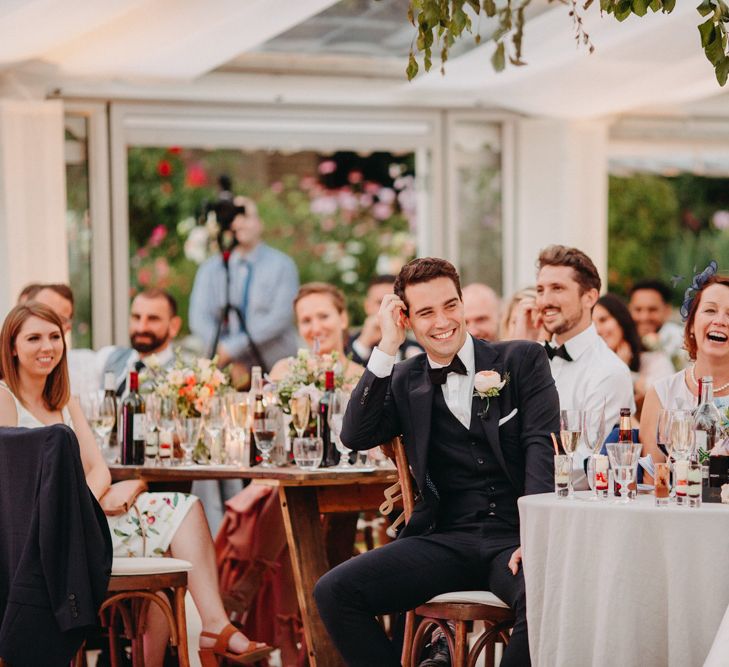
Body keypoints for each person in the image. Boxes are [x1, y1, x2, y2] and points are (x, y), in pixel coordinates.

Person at [312, 257, 559, 667]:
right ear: (406, 318)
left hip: (513, 537)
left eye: (450, 306)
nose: (443, 321)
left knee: (546, 594)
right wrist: (386, 345)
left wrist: (536, 537)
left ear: (462, 304)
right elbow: (354, 434)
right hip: (445, 539)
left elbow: (541, 447)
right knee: (334, 592)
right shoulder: (405, 378)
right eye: (426, 312)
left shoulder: (521, 360)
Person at [0, 302, 271, 666]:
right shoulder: (5, 398)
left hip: (87, 515)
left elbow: (99, 469)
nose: (47, 346)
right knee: (165, 546)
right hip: (47, 535)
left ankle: (213, 624)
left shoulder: (64, 399)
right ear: (12, 346)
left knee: (183, 507)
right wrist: (84, 504)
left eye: (54, 336)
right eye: (34, 338)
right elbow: (13, 484)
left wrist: (87, 502)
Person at [535, 245, 634, 481]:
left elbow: (586, 464)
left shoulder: (609, 372)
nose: (545, 301)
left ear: (589, 297)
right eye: (540, 290)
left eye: (557, 289)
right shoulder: (532, 359)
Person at [189, 195, 299, 377]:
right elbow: (198, 317)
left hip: (276, 370)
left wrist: (233, 348)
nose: (239, 223)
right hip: (225, 371)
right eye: (233, 217)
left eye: (245, 216)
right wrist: (221, 349)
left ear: (259, 223)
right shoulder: (210, 269)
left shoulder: (283, 265)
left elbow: (280, 317)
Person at [641, 272, 729, 463]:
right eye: (710, 310)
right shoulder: (661, 394)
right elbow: (654, 480)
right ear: (690, 325)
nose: (720, 321)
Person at [593, 293, 674, 416]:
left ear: (621, 320)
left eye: (603, 320)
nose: (597, 330)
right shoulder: (591, 366)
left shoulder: (654, 359)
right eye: (591, 324)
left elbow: (666, 398)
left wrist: (623, 371)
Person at [270, 282, 362, 383]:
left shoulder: (363, 379)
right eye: (306, 320)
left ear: (343, 319)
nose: (316, 329)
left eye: (323, 316)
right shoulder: (284, 372)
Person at [101, 289, 183, 395]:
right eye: (136, 317)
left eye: (153, 319)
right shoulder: (110, 357)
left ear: (174, 326)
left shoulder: (181, 376)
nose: (141, 328)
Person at [347, 275, 422, 365]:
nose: (387, 309)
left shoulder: (416, 348)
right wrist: (364, 343)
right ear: (367, 307)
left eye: (393, 302)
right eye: (380, 303)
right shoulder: (345, 344)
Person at [629, 279, 687, 369]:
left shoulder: (682, 341)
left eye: (652, 310)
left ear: (667, 310)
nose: (644, 317)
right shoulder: (621, 339)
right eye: (638, 309)